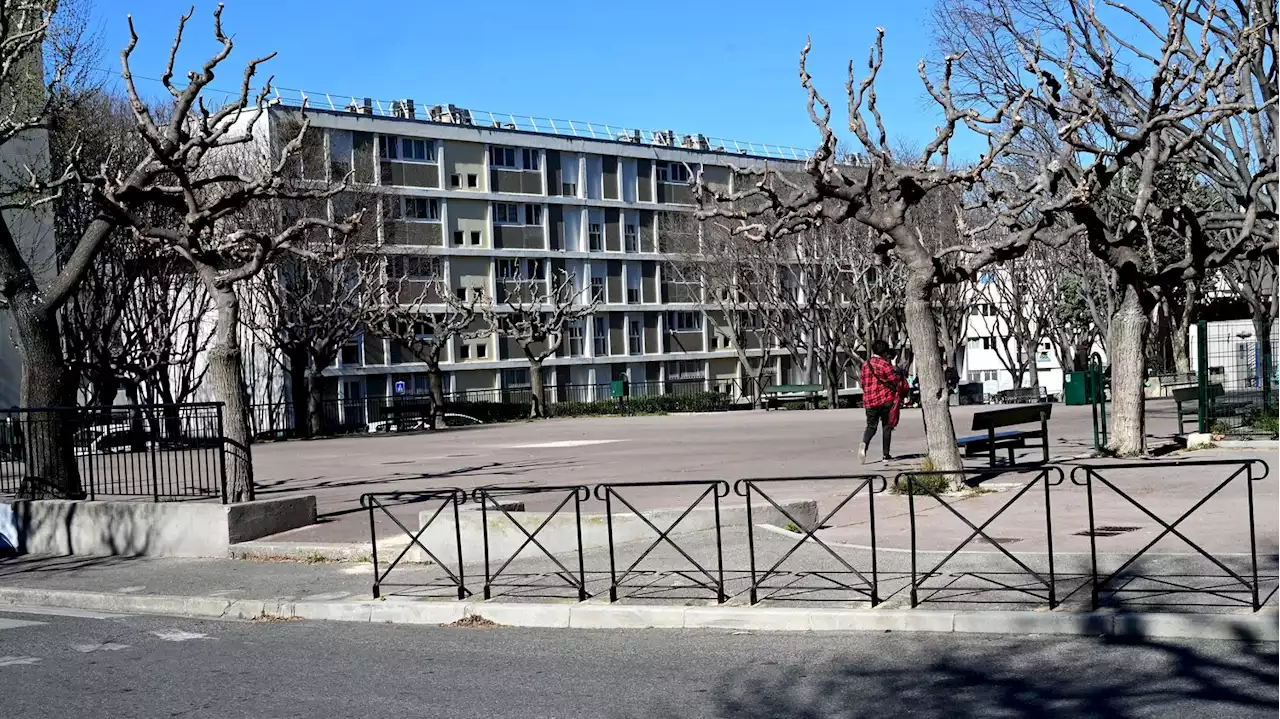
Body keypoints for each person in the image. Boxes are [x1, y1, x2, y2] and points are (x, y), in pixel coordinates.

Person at [859, 339, 906, 464]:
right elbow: (895, 380)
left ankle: (864, 444)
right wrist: (895, 366)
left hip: (869, 401)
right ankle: (886, 455)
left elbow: (862, 383)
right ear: (884, 352)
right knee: (887, 427)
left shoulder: (865, 364)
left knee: (871, 426)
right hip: (885, 400)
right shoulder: (884, 364)